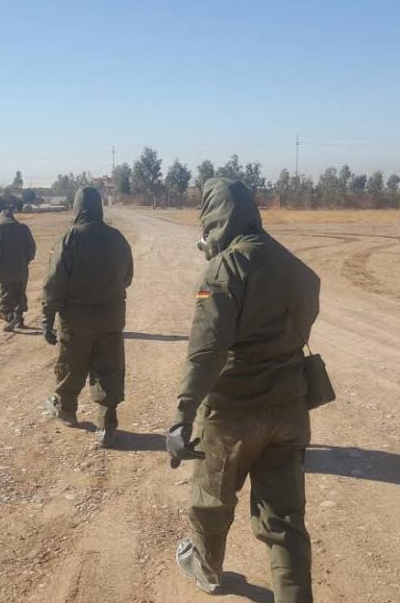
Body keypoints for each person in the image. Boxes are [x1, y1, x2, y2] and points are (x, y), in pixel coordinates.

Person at [166, 178, 320, 603]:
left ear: (215, 217)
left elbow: (206, 353)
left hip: (234, 412)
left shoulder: (225, 268)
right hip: (290, 411)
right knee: (286, 522)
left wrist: (182, 415)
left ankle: (207, 568)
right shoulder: (295, 267)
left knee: (211, 501)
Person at [41, 186, 134, 448]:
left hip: (76, 320)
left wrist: (47, 319)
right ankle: (107, 426)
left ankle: (66, 409)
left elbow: (53, 283)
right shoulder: (117, 238)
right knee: (109, 371)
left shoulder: (69, 239)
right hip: (111, 319)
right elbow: (127, 277)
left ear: (77, 206)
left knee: (70, 368)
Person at [0, 208, 37, 331]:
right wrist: (26, 260)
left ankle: (10, 318)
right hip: (21, 269)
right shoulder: (24, 228)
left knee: (4, 295)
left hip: (5, 270)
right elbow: (32, 247)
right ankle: (19, 319)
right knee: (20, 294)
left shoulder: (0, 229)